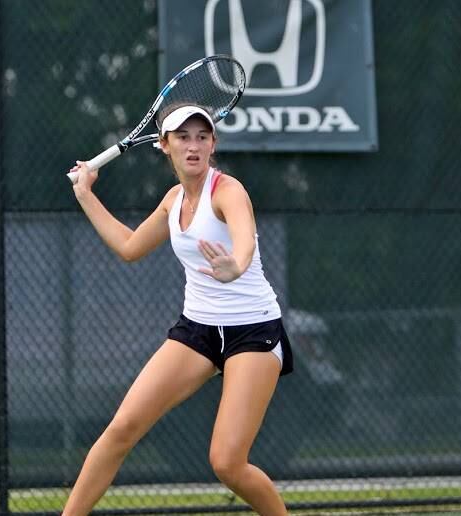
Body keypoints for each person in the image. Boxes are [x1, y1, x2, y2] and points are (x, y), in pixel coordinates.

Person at [62, 104, 293, 516]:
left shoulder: (228, 191)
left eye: (202, 137)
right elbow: (130, 247)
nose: (193, 145)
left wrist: (236, 265)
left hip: (253, 332)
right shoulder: (173, 201)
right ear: (164, 145)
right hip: (197, 330)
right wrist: (86, 195)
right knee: (122, 429)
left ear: (213, 144)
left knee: (227, 463)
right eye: (183, 137)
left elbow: (244, 239)